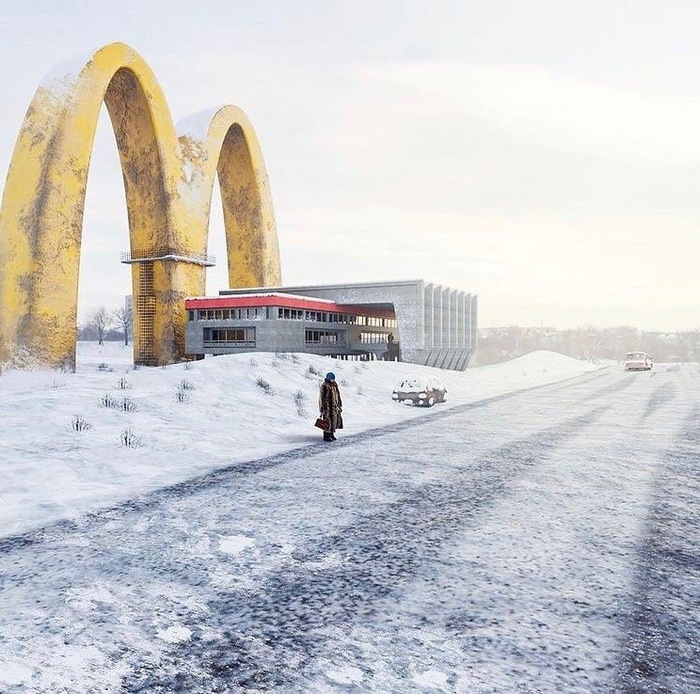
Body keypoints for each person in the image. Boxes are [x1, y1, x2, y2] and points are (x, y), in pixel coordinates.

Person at [319, 371, 343, 441]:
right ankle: (326, 436)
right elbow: (321, 397)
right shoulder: (324, 386)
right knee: (327, 421)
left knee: (334, 421)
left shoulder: (334, 385)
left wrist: (339, 403)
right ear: (328, 378)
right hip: (327, 407)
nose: (333, 380)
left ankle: (331, 434)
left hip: (334, 407)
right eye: (331, 379)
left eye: (333, 379)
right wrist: (323, 407)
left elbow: (338, 395)